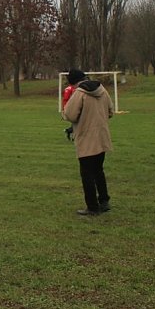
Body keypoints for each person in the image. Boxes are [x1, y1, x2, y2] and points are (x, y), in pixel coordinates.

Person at [62, 69, 113, 216]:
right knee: (98, 170)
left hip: (86, 138)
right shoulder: (102, 89)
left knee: (87, 173)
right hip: (102, 136)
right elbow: (110, 111)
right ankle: (104, 201)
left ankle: (92, 207)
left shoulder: (80, 93)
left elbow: (70, 115)